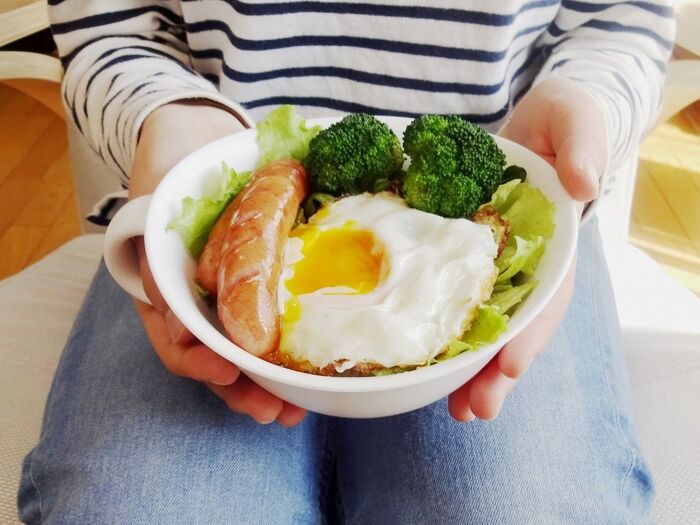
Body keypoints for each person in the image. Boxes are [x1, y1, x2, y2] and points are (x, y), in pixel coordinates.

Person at [19, 1, 673, 523]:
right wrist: (164, 119)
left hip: (501, 163)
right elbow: (109, 24)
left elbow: (621, 19)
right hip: (203, 171)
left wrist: (586, 103)